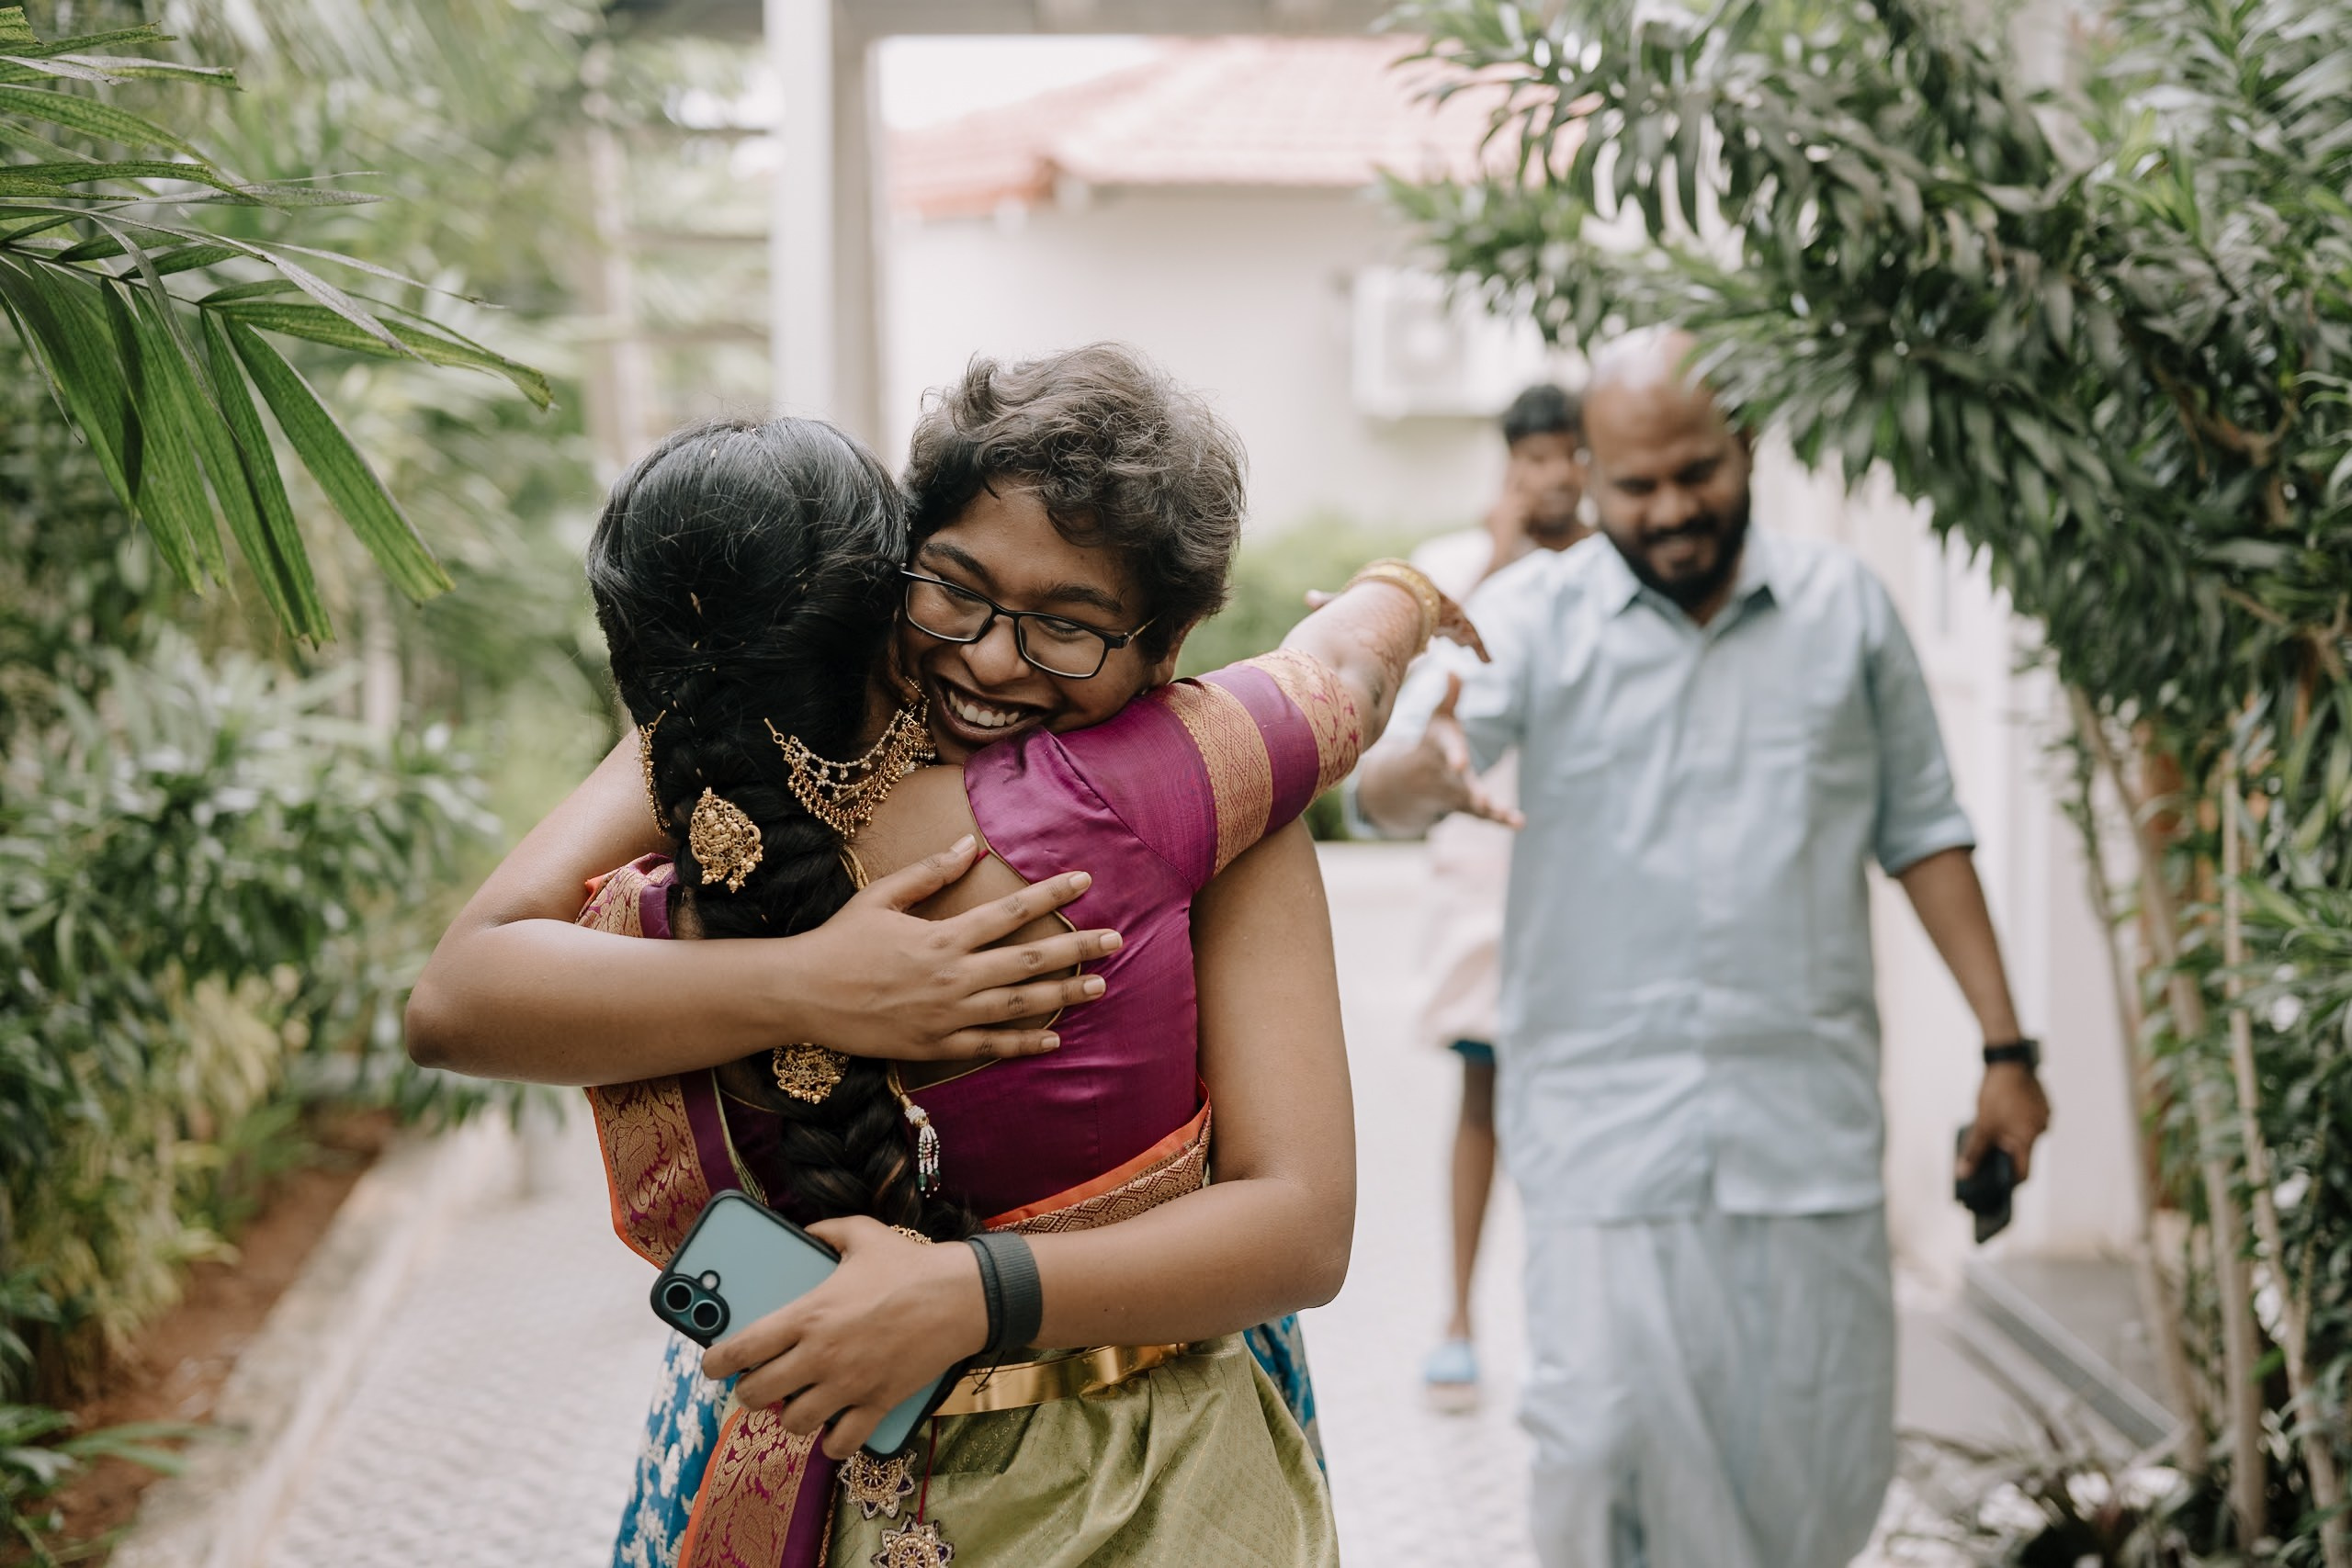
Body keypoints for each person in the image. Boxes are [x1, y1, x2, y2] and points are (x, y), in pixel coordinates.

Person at [407, 347, 1476, 1565]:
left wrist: (960, 1292)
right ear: (891, 567)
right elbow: (458, 998)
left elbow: (1301, 1227)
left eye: (1066, 627)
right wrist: (819, 982)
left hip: (1132, 1447)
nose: (989, 657)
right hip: (802, 1444)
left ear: (1166, 643)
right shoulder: (751, 735)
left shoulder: (1221, 811)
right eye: (953, 590)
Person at [1352, 328, 2052, 1568]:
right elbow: (1393, 788)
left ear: (1749, 445)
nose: (1672, 509)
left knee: (1814, 1468)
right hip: (1599, 1133)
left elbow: (1928, 834)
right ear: (1588, 473)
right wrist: (1422, 770)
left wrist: (2007, 1048)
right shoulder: (1530, 617)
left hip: (1807, 1135)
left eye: (1699, 473)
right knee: (1593, 1446)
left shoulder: (1848, 614)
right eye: (1637, 484)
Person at [1408, 382, 1589, 1410]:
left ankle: (1560, 1325)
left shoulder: (1624, 565)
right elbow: (1440, 693)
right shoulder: (1455, 566)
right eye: (1534, 460)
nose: (1555, 477)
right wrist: (1506, 555)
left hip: (1593, 880)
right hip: (1490, 881)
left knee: (1577, 1107)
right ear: (1507, 466)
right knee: (1481, 1090)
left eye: (1570, 458)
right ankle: (1457, 1320)